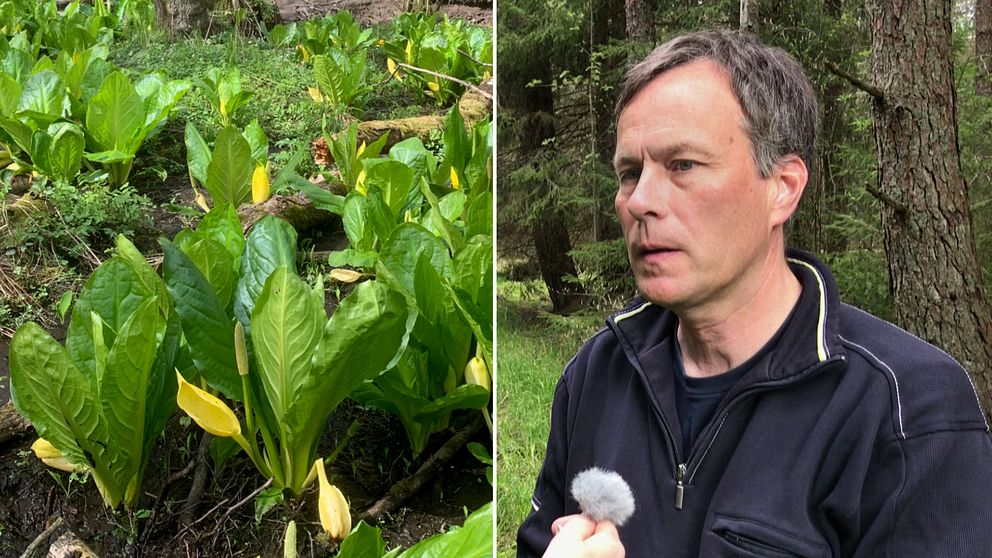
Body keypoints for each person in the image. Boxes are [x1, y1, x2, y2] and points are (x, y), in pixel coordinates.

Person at [516, 29, 992, 557]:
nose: (640, 201)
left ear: (782, 188)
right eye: (630, 173)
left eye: (683, 165)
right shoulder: (599, 372)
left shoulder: (907, 411)